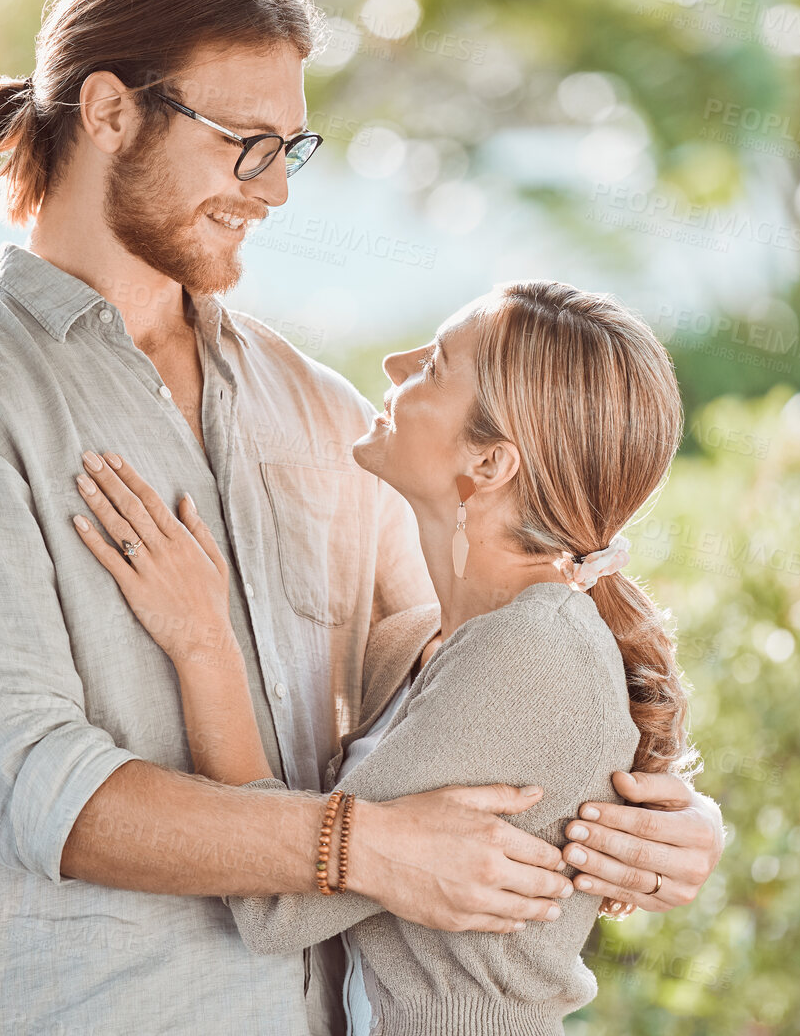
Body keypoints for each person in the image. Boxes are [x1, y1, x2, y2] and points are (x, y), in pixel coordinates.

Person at [0, 0, 723, 1035]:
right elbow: (41, 791)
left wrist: (656, 813)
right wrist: (359, 845)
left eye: (290, 149)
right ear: (111, 109)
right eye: (242, 142)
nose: (272, 189)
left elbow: (454, 664)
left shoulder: (308, 405)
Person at [68, 281, 698, 1034]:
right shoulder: (427, 646)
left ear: (491, 462)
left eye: (434, 367)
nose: (397, 364)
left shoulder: (532, 651)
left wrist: (201, 640)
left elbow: (275, 905)